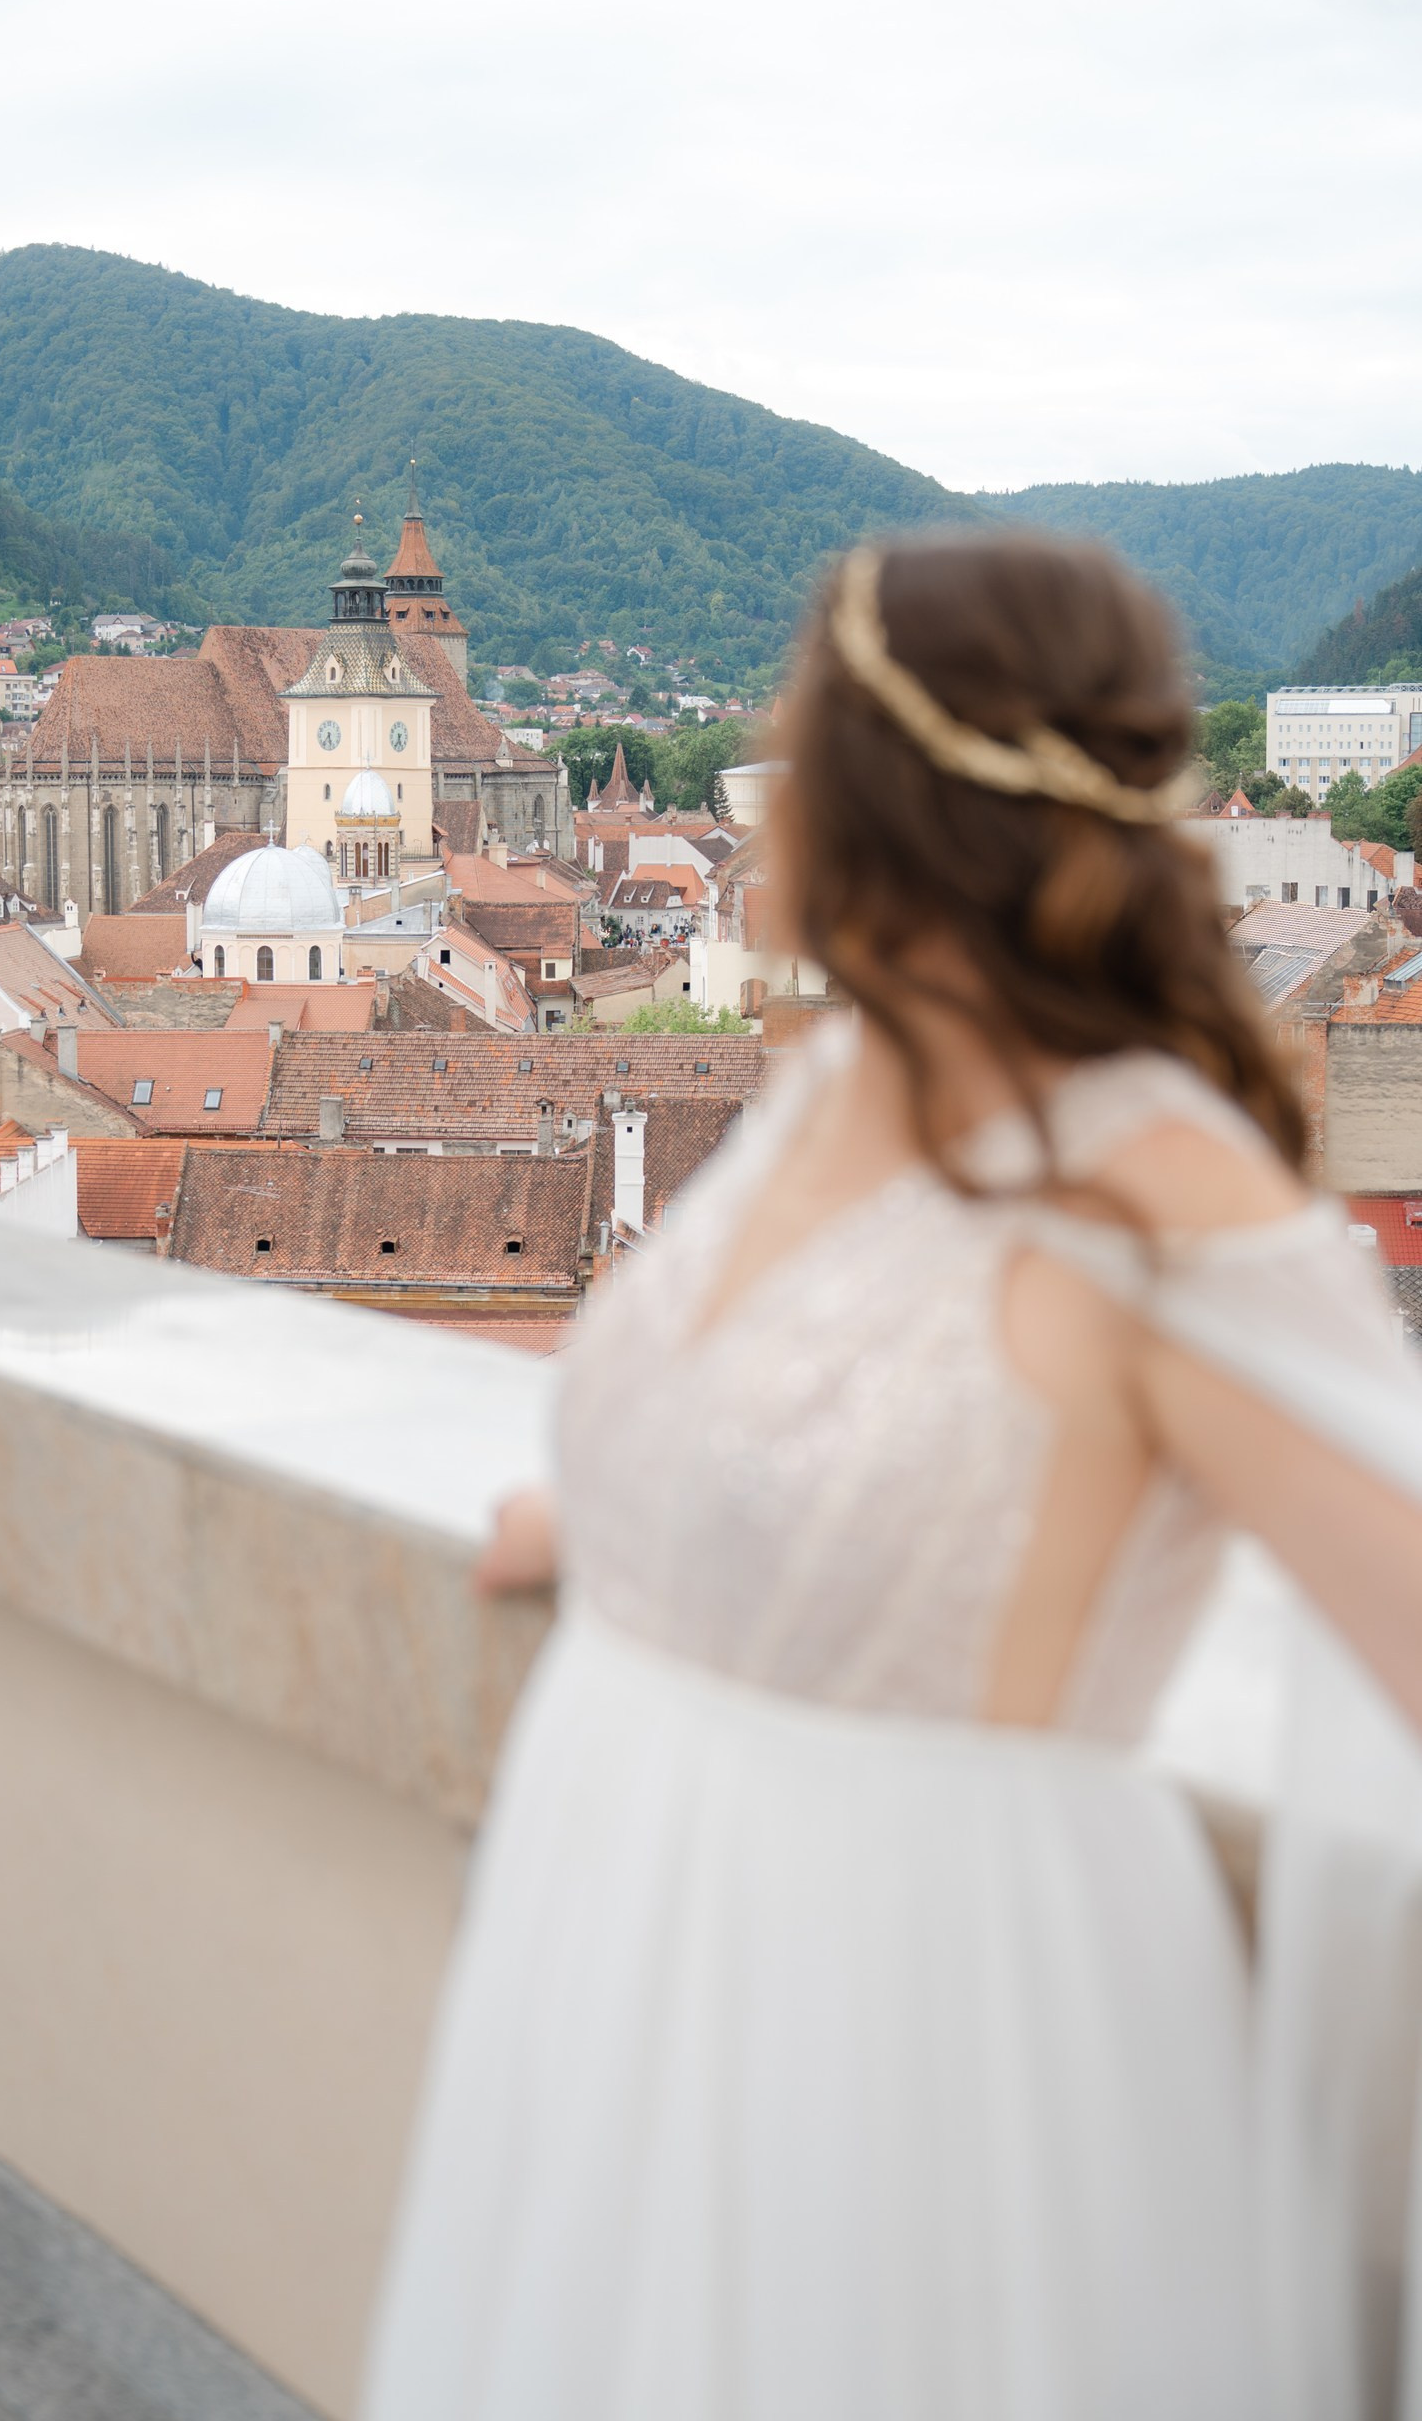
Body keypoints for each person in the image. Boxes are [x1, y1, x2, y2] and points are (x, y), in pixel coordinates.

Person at [361, 534, 1422, 2421]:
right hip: (624, 1938)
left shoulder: (1149, 1190)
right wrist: (612, 1519)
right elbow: (772, 1416)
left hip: (935, 2005)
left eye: (795, 737)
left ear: (888, 798)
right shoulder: (842, 1072)